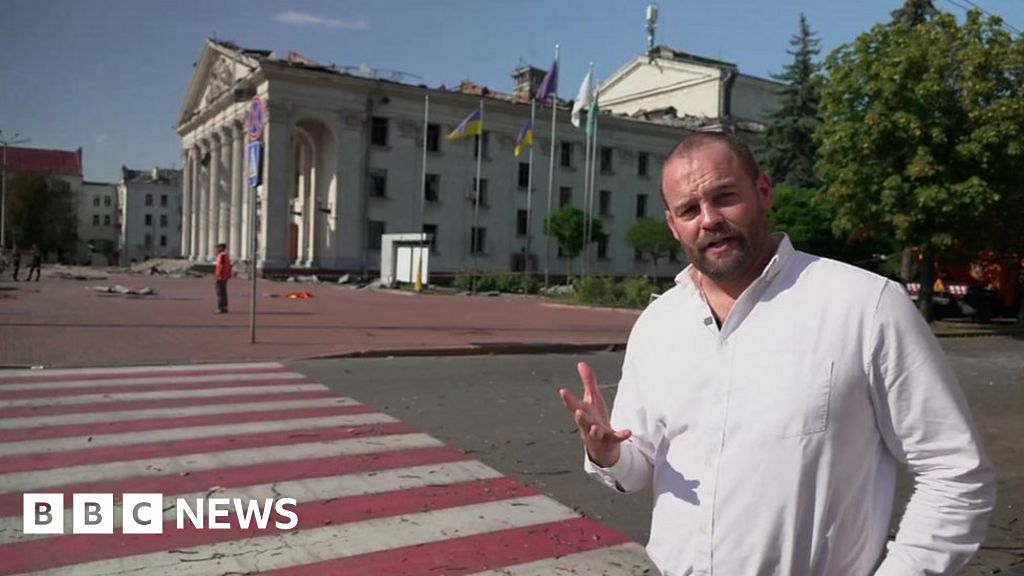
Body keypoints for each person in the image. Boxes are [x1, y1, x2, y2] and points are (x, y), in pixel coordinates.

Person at [560, 132, 995, 575]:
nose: (709, 219)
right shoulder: (657, 324)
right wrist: (608, 454)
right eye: (690, 210)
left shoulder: (865, 305)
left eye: (724, 197)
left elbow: (956, 473)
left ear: (763, 192)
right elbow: (640, 469)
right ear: (674, 225)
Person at [214, 242, 232, 313]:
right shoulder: (226, 255)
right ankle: (224, 307)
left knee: (220, 292)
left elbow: (221, 266)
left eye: (218, 248)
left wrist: (217, 274)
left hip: (221, 277)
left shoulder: (221, 255)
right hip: (225, 276)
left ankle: (220, 308)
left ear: (221, 248)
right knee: (223, 292)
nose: (217, 249)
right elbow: (229, 266)